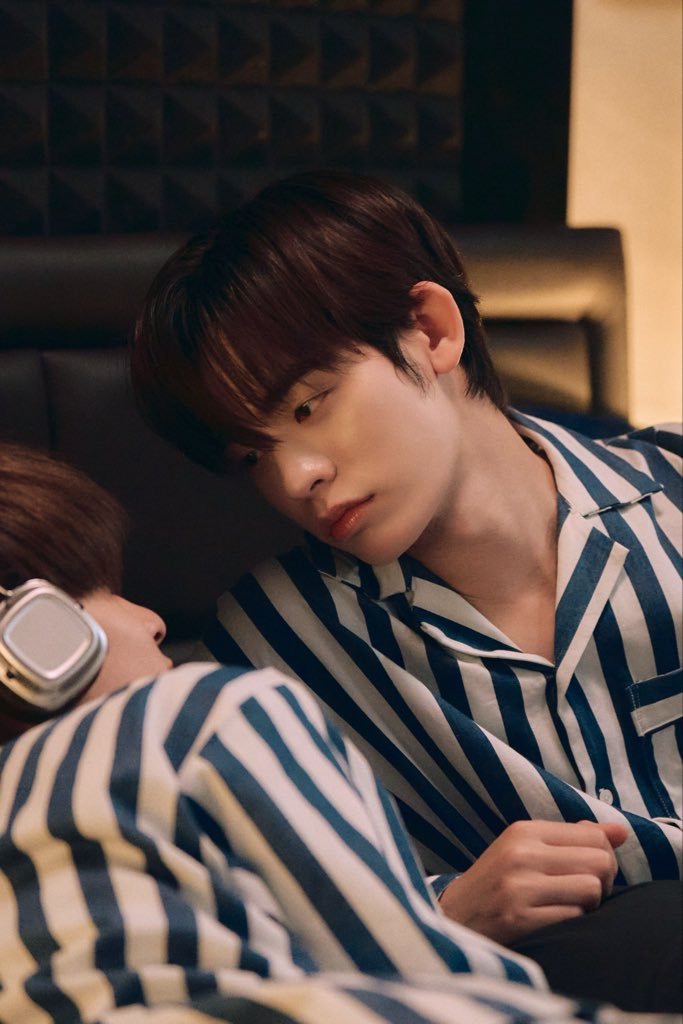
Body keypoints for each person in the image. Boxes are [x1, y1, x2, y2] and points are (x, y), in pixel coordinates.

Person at [130, 170, 682, 1010]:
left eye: (308, 407)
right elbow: (237, 941)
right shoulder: (269, 652)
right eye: (252, 457)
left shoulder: (673, 486)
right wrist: (442, 914)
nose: (295, 477)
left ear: (430, 330)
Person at [2, 442, 652, 1024]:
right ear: (31, 636)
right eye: (95, 590)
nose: (151, 619)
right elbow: (434, 982)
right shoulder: (201, 713)